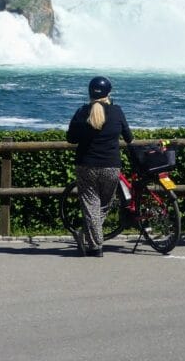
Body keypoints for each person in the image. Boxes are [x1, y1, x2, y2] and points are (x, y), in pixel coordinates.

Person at [65, 75, 133, 257]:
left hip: (86, 165)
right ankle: (93, 242)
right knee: (103, 205)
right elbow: (129, 138)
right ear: (109, 94)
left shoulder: (82, 112)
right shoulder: (117, 111)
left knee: (91, 205)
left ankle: (95, 246)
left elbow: (70, 138)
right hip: (111, 166)